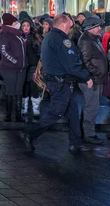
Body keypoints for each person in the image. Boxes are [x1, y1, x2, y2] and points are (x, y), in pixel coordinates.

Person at [23, 14, 93, 152]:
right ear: (62, 25)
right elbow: (71, 64)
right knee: (56, 112)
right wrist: (86, 77)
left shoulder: (49, 37)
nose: (70, 27)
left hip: (58, 82)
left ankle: (76, 142)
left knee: (72, 112)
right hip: (61, 83)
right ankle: (31, 133)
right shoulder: (62, 40)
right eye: (69, 25)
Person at [77, 16, 107, 145]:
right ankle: (88, 134)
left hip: (96, 79)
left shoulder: (93, 38)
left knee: (91, 106)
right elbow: (85, 62)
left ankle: (86, 132)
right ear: (91, 28)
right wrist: (98, 72)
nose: (100, 28)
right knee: (92, 108)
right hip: (92, 80)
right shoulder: (86, 41)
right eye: (98, 26)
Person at [0, 14, 27, 122]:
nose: (18, 24)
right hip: (10, 68)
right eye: (15, 22)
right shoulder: (6, 35)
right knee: (10, 90)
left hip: (21, 68)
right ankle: (9, 115)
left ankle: (18, 114)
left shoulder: (18, 34)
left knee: (18, 91)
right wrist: (15, 61)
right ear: (11, 24)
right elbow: (4, 51)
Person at [21, 18, 42, 117]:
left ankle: (35, 109)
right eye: (24, 26)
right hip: (22, 66)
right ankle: (24, 108)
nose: (25, 28)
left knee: (33, 86)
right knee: (24, 87)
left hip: (33, 65)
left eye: (27, 25)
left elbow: (38, 52)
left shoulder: (34, 37)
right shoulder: (19, 37)